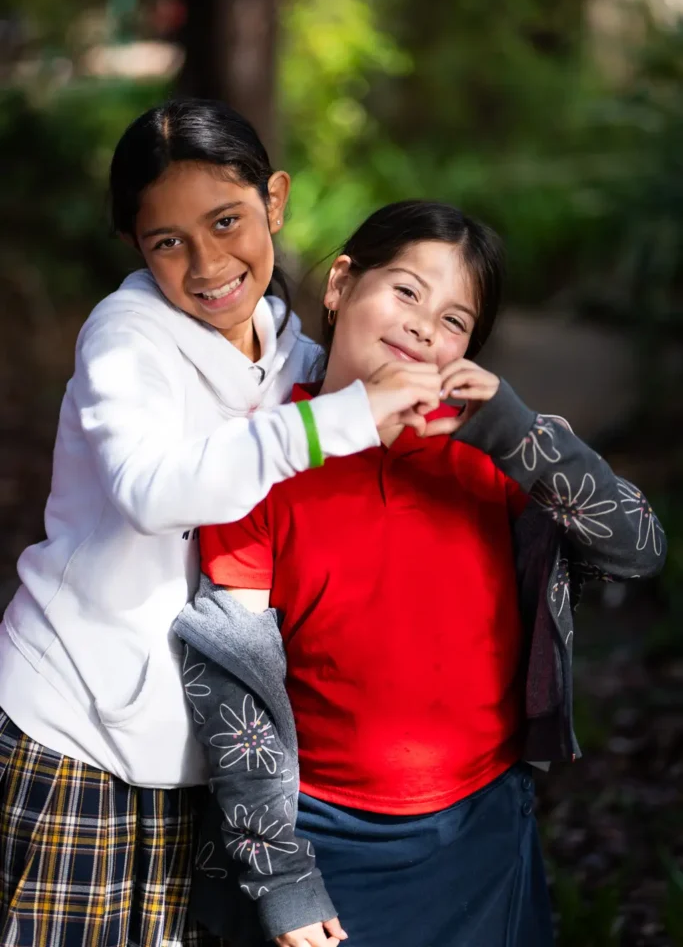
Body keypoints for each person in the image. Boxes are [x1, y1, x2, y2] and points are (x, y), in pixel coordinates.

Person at [0, 103, 439, 947]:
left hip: (204, 759)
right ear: (137, 247)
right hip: (74, 728)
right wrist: (330, 423)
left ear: (273, 201)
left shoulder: (293, 357)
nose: (206, 264)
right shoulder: (125, 336)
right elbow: (149, 487)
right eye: (168, 241)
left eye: (226, 221)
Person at [176, 200, 667, 947]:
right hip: (321, 836)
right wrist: (279, 874)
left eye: (453, 321)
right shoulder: (264, 456)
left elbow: (638, 547)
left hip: (482, 830)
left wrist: (513, 429)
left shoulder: (499, 455)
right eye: (405, 291)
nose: (421, 327)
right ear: (340, 283)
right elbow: (228, 677)